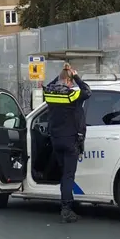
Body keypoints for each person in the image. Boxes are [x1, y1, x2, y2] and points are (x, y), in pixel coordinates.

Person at [43, 63, 92, 223]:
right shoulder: (72, 96)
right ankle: (66, 209)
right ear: (70, 82)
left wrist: (63, 74)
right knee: (68, 176)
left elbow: (49, 86)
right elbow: (87, 91)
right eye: (71, 81)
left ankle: (67, 203)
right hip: (70, 140)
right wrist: (75, 75)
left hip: (56, 140)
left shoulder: (50, 95)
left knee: (65, 175)